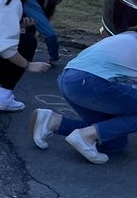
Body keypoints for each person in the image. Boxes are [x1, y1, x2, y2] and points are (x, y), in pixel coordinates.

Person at [31, 26, 137, 164]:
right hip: (90, 82)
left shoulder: (128, 36)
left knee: (114, 142)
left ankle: (53, 121)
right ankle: (87, 136)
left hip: (69, 78)